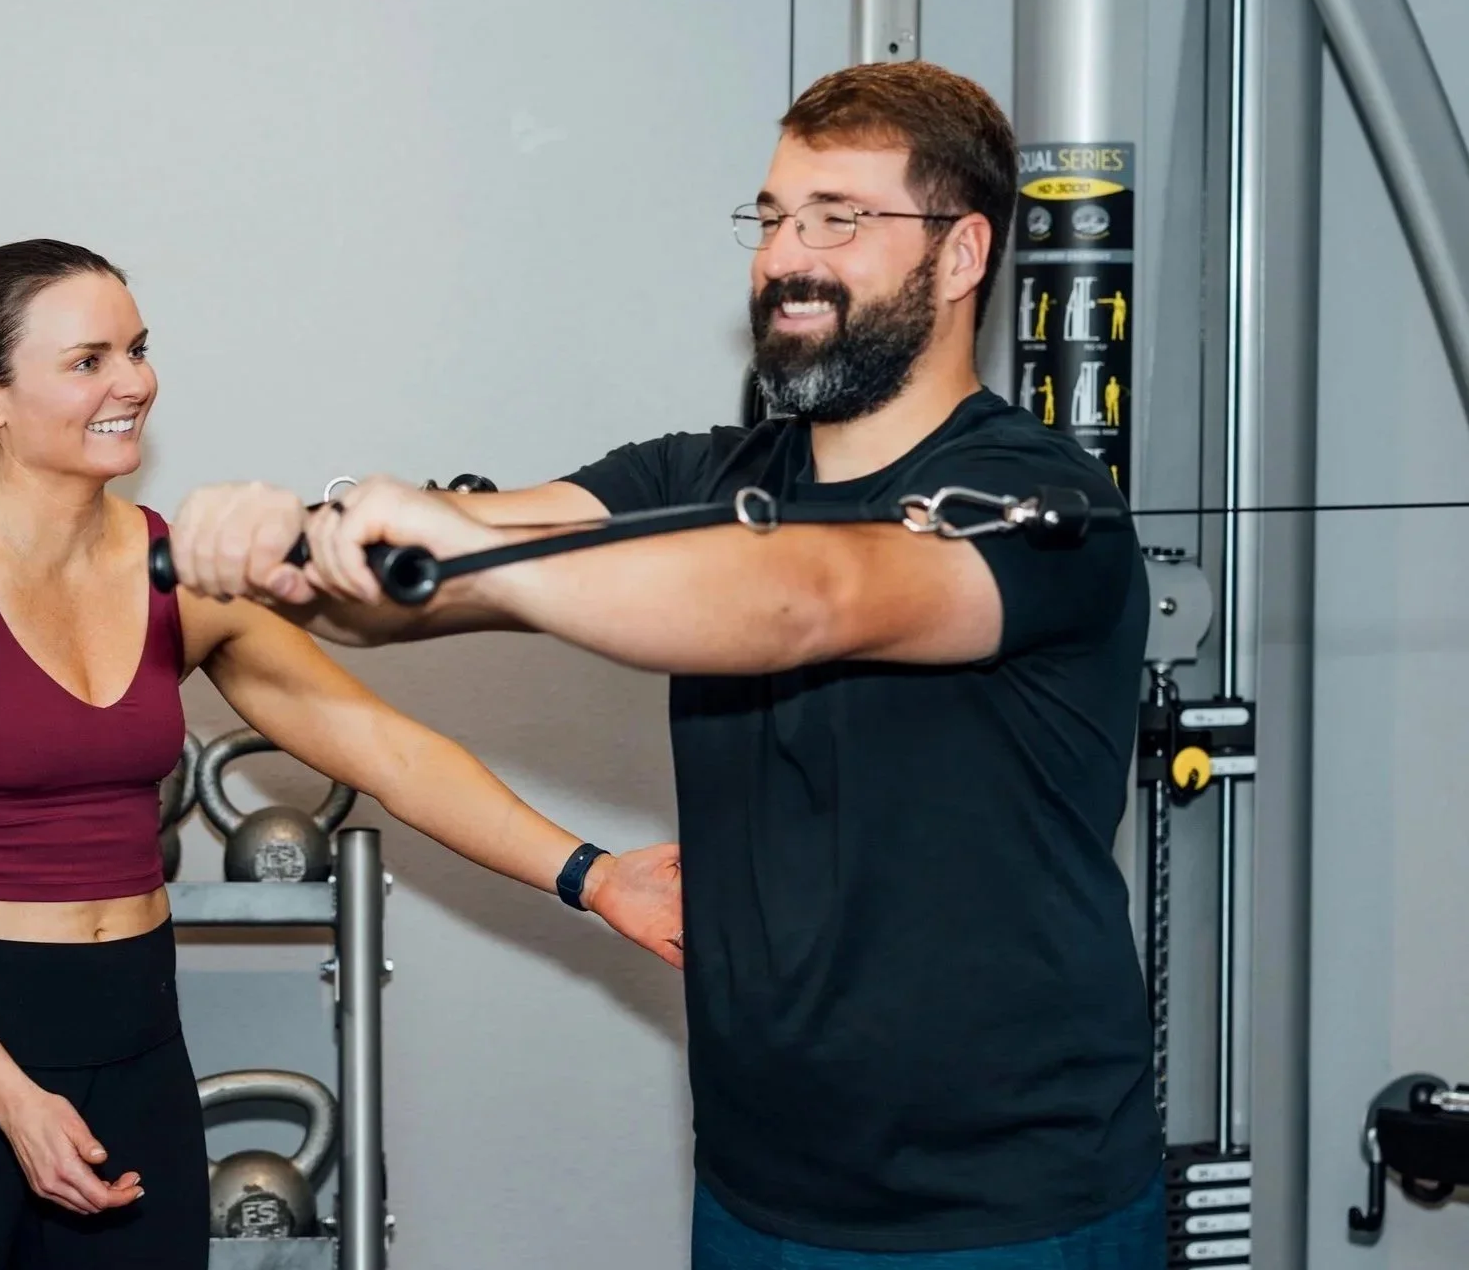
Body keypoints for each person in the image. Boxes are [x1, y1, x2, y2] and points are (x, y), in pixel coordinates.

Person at [167, 62, 1164, 1268]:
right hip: (757, 1188)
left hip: (1011, 1206)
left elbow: (805, 599)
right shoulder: (695, 475)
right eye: (773, 216)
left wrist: (465, 550)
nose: (784, 257)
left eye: (837, 219)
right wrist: (290, 547)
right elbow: (424, 589)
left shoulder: (1043, 499)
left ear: (960, 254)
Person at [0, 239, 683, 1270]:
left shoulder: (180, 573)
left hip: (133, 1045)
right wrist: (11, 1098)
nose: (133, 382)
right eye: (88, 360)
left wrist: (594, 875)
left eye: (137, 349)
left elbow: (387, 750)